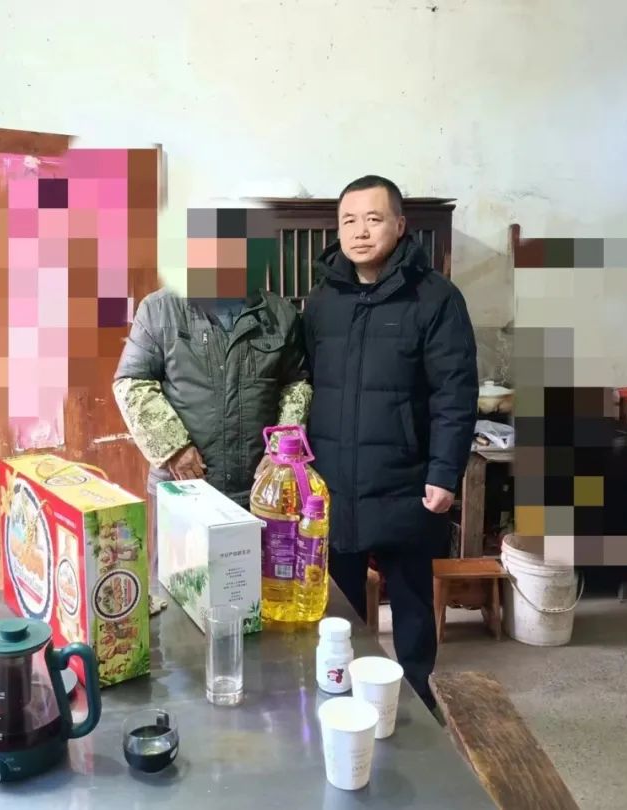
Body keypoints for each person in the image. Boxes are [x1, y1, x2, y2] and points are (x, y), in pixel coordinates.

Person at [302, 175, 478, 709]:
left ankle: (419, 705)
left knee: (412, 606)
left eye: (374, 219)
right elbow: (306, 384)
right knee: (339, 609)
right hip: (333, 481)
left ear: (400, 226)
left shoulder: (436, 298)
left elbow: (455, 392)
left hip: (407, 481)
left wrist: (444, 472)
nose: (360, 231)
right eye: (349, 220)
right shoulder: (322, 300)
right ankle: (345, 705)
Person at [113, 207, 311, 585]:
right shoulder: (160, 309)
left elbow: (296, 383)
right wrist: (173, 447)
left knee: (250, 591)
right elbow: (132, 381)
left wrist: (281, 453)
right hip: (183, 489)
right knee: (178, 590)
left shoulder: (280, 314)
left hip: (258, 488)